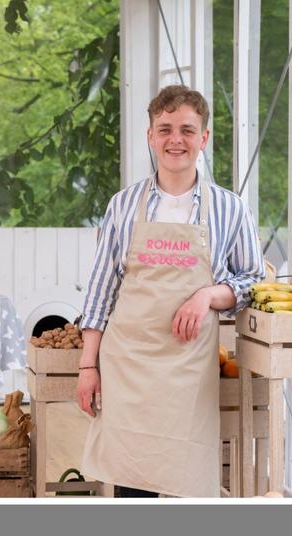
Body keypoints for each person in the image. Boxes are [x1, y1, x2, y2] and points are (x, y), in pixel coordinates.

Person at [77, 85, 265, 498]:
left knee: (186, 483)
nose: (174, 140)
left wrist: (208, 296)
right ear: (150, 136)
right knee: (131, 485)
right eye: (164, 129)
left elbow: (253, 280)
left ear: (204, 138)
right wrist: (88, 367)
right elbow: (101, 290)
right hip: (128, 365)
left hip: (187, 372)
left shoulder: (229, 208)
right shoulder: (123, 205)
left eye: (186, 129)